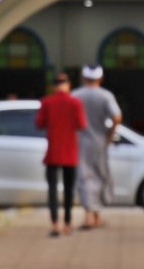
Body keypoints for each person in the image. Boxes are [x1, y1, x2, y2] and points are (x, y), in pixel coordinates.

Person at [34, 70, 88, 238]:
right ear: (68, 85)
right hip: (70, 152)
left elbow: (39, 123)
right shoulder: (75, 103)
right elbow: (81, 124)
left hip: (53, 152)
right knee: (69, 190)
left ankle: (55, 223)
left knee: (52, 190)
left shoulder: (47, 102)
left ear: (54, 86)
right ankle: (67, 223)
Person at [73, 66, 123, 229]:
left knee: (84, 176)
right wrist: (110, 134)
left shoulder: (76, 96)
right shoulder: (105, 95)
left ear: (83, 78)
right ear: (100, 79)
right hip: (100, 140)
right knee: (100, 174)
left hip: (80, 140)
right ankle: (95, 216)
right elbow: (117, 116)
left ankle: (89, 216)